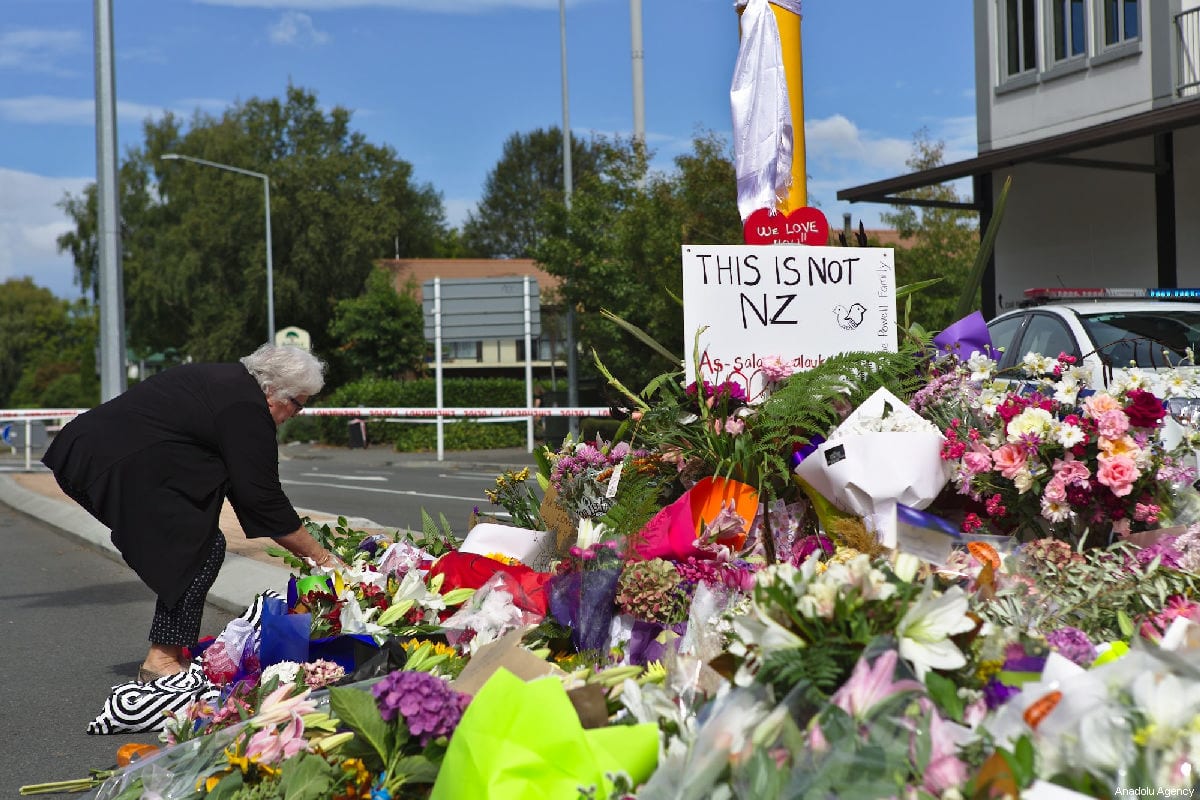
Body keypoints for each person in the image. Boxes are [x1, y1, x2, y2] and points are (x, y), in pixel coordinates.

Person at [42, 343, 344, 682]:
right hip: (104, 462)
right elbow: (261, 497)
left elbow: (240, 483)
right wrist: (322, 558)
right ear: (274, 391)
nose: (295, 415)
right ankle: (162, 661)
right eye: (297, 405)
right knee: (199, 550)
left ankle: (169, 651)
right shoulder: (245, 406)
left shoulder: (229, 386)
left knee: (192, 543)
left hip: (89, 454)